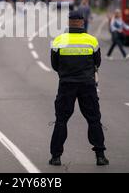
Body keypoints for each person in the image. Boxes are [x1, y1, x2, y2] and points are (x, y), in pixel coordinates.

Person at [49, 11, 109, 167]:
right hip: (87, 85)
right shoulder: (91, 41)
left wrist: (66, 73)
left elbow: (55, 65)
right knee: (94, 120)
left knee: (61, 120)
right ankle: (100, 156)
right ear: (82, 23)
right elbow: (98, 62)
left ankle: (56, 157)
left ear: (69, 23)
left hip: (66, 84)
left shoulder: (59, 41)